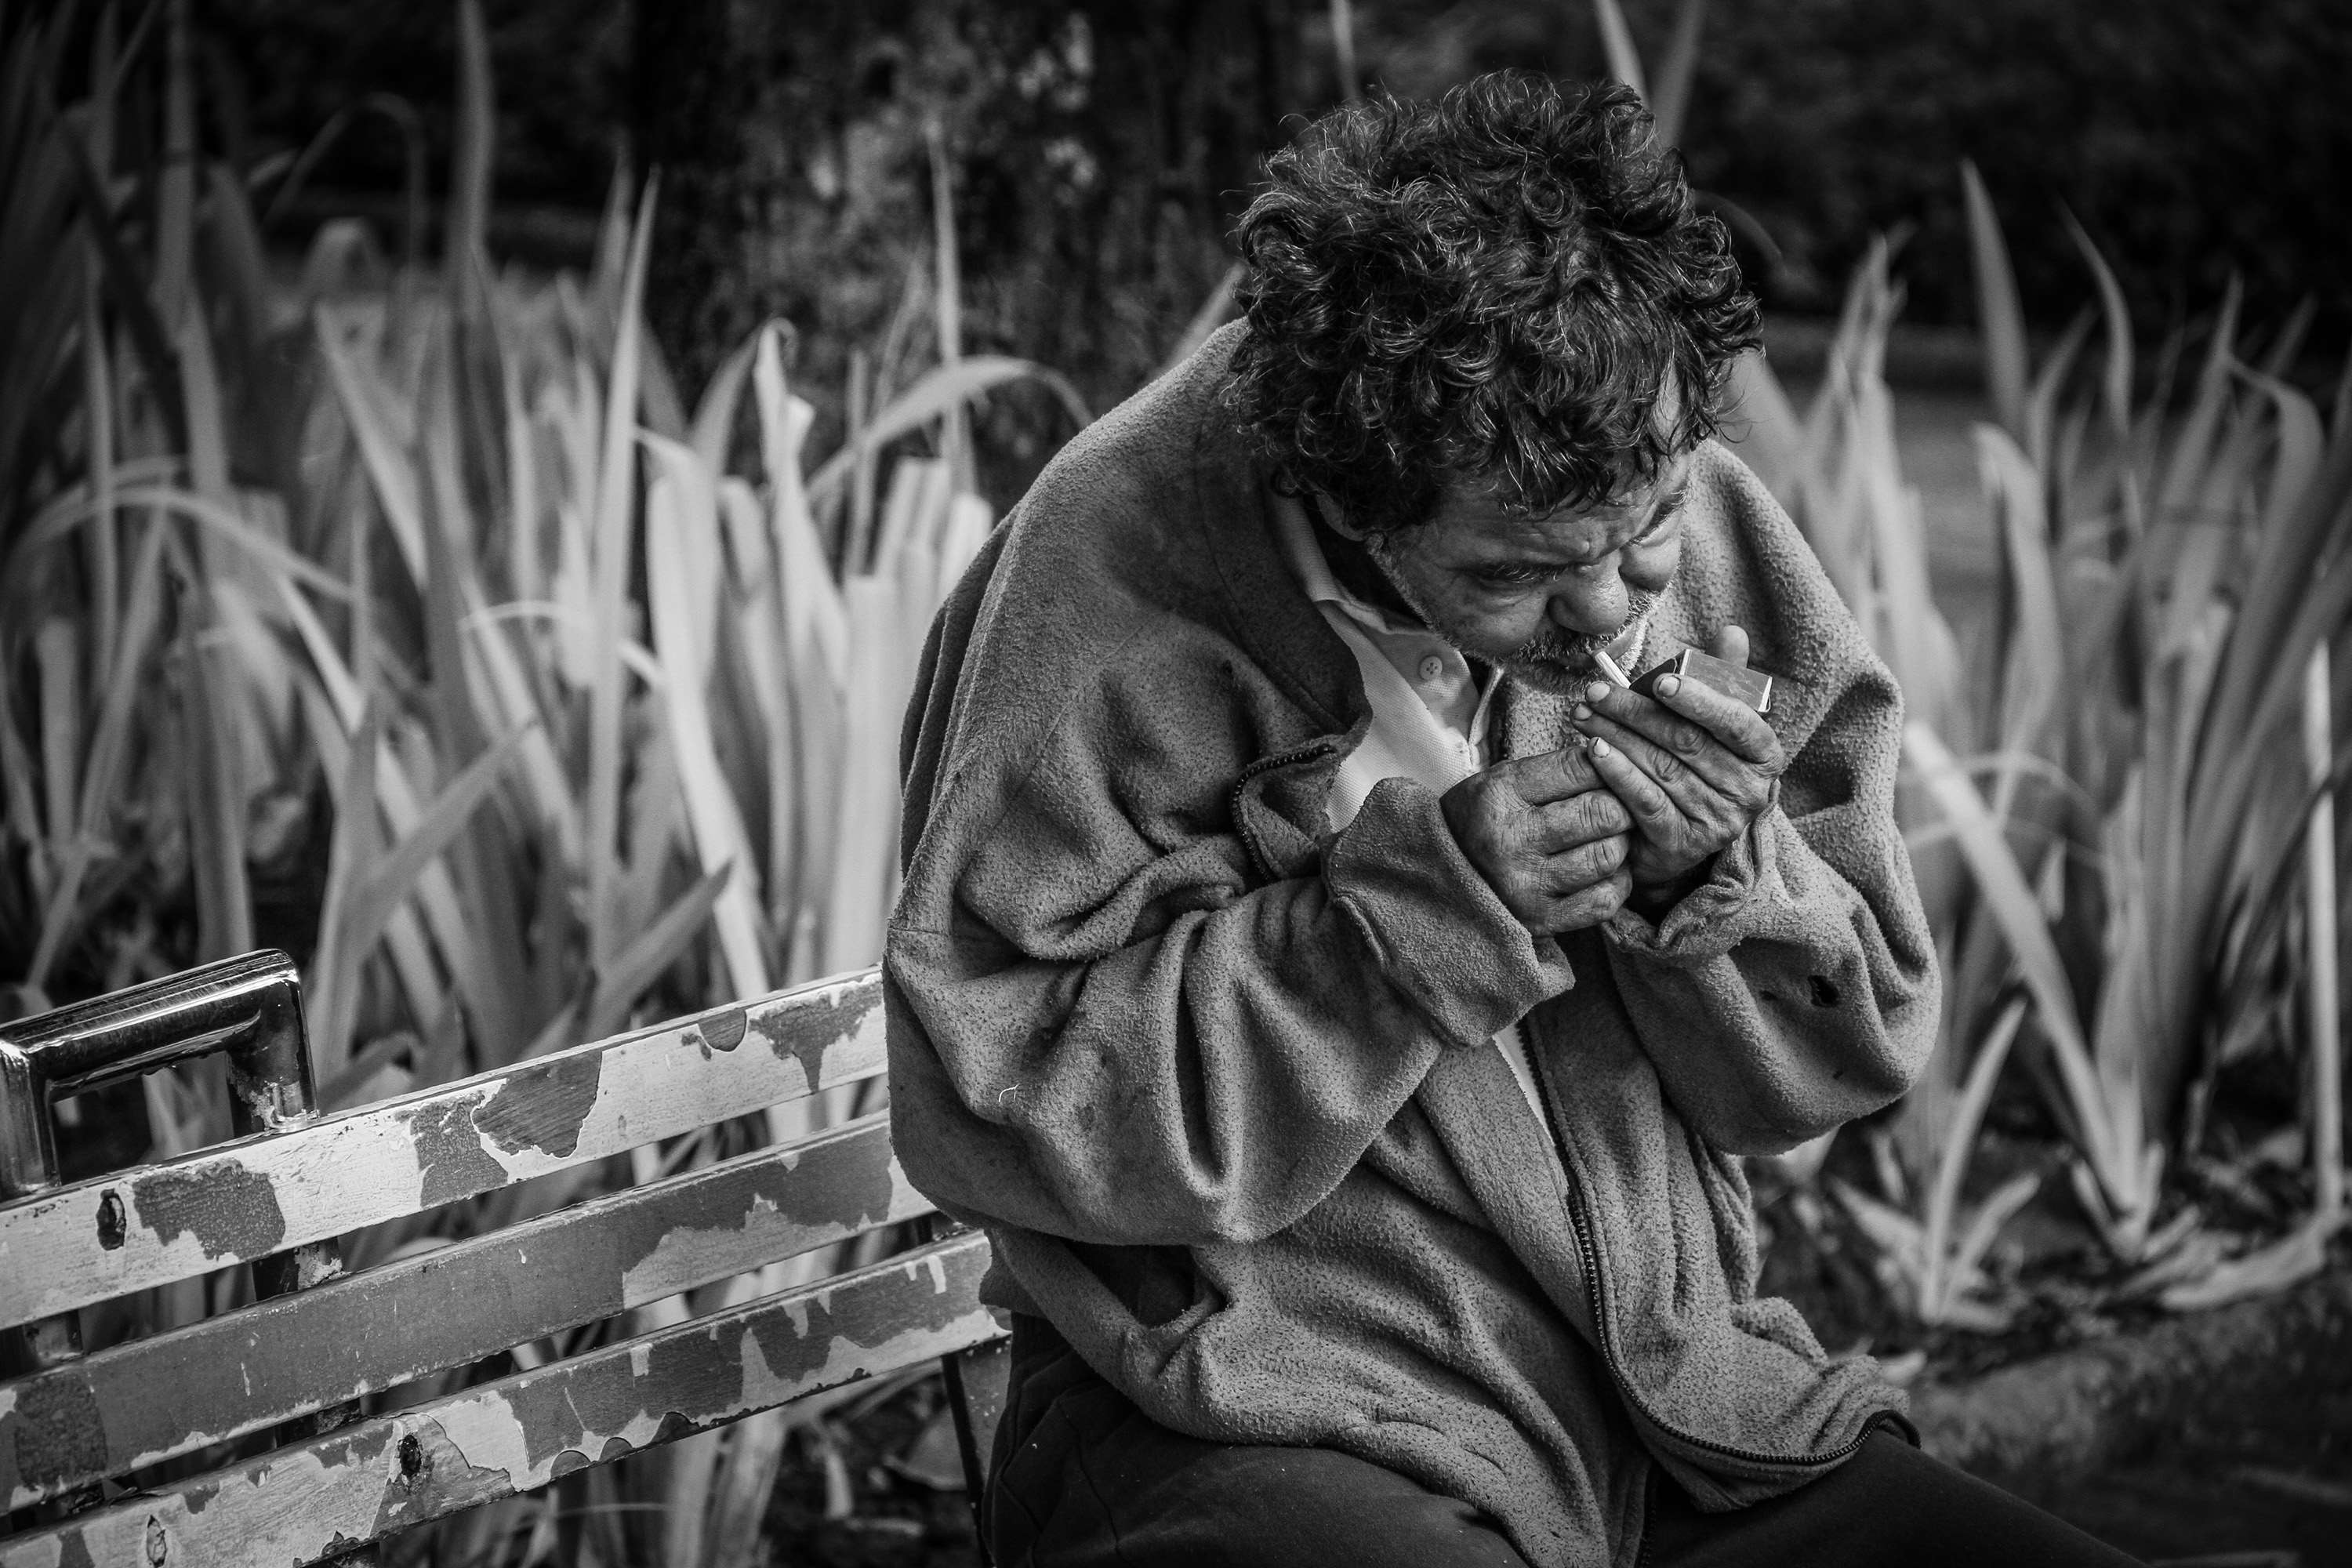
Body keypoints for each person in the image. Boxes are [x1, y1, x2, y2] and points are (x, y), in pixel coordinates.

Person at [884, 72, 2140, 1568]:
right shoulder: (1101, 590)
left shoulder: (1630, 466)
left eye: (1654, 525)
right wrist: (1424, 914)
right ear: (1353, 500)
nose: (1615, 609)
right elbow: (997, 1100)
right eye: (1520, 574)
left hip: (1670, 1396)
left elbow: (1841, 1053)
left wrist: (1716, 880)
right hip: (1246, 1419)